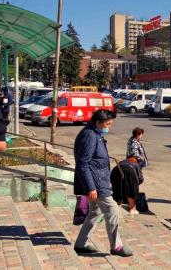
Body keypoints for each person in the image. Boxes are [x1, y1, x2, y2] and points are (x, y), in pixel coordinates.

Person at [73, 110, 133, 257]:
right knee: (112, 210)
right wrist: (90, 187)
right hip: (97, 185)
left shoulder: (95, 134)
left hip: (99, 182)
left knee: (95, 212)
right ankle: (116, 246)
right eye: (108, 124)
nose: (109, 127)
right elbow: (83, 164)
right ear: (98, 123)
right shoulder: (90, 136)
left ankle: (81, 244)